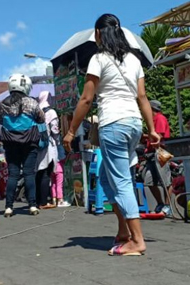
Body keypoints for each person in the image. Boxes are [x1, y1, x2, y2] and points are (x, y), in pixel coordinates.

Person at [63, 14, 161, 256]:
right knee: (108, 180)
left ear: (98, 33)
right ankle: (123, 232)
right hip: (133, 124)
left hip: (113, 124)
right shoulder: (133, 60)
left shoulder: (98, 59)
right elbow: (142, 98)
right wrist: (152, 129)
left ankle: (137, 240)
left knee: (122, 181)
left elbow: (86, 99)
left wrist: (71, 131)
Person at [0, 73, 46, 217]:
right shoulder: (31, 102)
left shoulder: (2, 104)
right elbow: (41, 118)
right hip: (30, 143)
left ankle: (8, 207)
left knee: (13, 175)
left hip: (10, 144)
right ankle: (32, 206)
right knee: (29, 173)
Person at [143, 100, 173, 217]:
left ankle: (167, 206)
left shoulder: (160, 118)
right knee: (149, 181)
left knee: (165, 180)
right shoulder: (152, 120)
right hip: (151, 152)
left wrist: (144, 136)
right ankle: (160, 203)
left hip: (160, 151)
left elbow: (158, 137)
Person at [35, 90, 59, 209]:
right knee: (46, 173)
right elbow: (54, 130)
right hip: (48, 145)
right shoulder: (51, 112)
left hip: (37, 145)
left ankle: (37, 200)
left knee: (39, 173)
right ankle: (44, 202)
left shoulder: (35, 111)